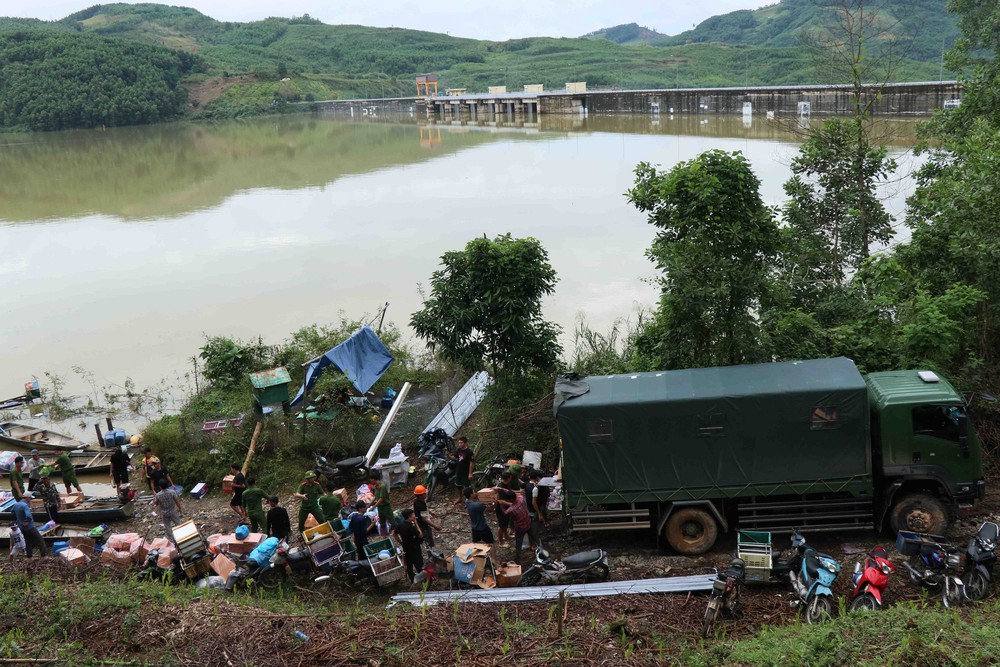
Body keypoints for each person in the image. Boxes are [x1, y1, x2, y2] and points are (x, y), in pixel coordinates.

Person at [499, 487, 535, 564]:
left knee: (519, 544)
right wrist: (501, 488)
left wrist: (501, 504)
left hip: (520, 528)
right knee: (532, 536)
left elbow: (505, 513)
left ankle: (518, 560)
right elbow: (511, 491)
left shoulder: (512, 509)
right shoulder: (521, 498)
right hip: (528, 522)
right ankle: (533, 547)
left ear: (510, 500)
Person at [395, 508, 424, 582]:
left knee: (409, 565)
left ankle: (412, 579)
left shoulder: (400, 525)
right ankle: (423, 579)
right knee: (419, 564)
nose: (415, 516)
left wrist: (400, 542)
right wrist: (416, 523)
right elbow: (420, 535)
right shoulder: (411, 527)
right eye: (413, 514)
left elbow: (394, 534)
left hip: (406, 548)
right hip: (415, 548)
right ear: (409, 517)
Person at [154, 479, 183, 544]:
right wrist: (180, 508)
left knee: (167, 527)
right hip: (173, 510)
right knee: (178, 524)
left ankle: (172, 541)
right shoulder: (172, 492)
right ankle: (181, 538)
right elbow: (177, 501)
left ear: (160, 486)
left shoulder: (158, 495)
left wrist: (155, 499)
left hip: (164, 512)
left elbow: (156, 503)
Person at [494, 471, 515, 546]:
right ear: (508, 478)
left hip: (506, 508)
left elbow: (509, 492)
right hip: (501, 509)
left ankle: (506, 536)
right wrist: (512, 504)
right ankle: (501, 542)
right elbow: (500, 501)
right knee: (501, 526)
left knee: (505, 524)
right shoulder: (500, 487)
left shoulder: (507, 484)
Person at [452, 436, 474, 505]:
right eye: (459, 443)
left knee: (467, 487)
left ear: (465, 443)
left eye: (461, 443)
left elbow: (471, 462)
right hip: (458, 471)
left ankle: (470, 500)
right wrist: (448, 456)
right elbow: (454, 458)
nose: (460, 444)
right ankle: (460, 498)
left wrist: (470, 473)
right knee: (458, 486)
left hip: (466, 472)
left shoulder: (469, 452)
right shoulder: (458, 450)